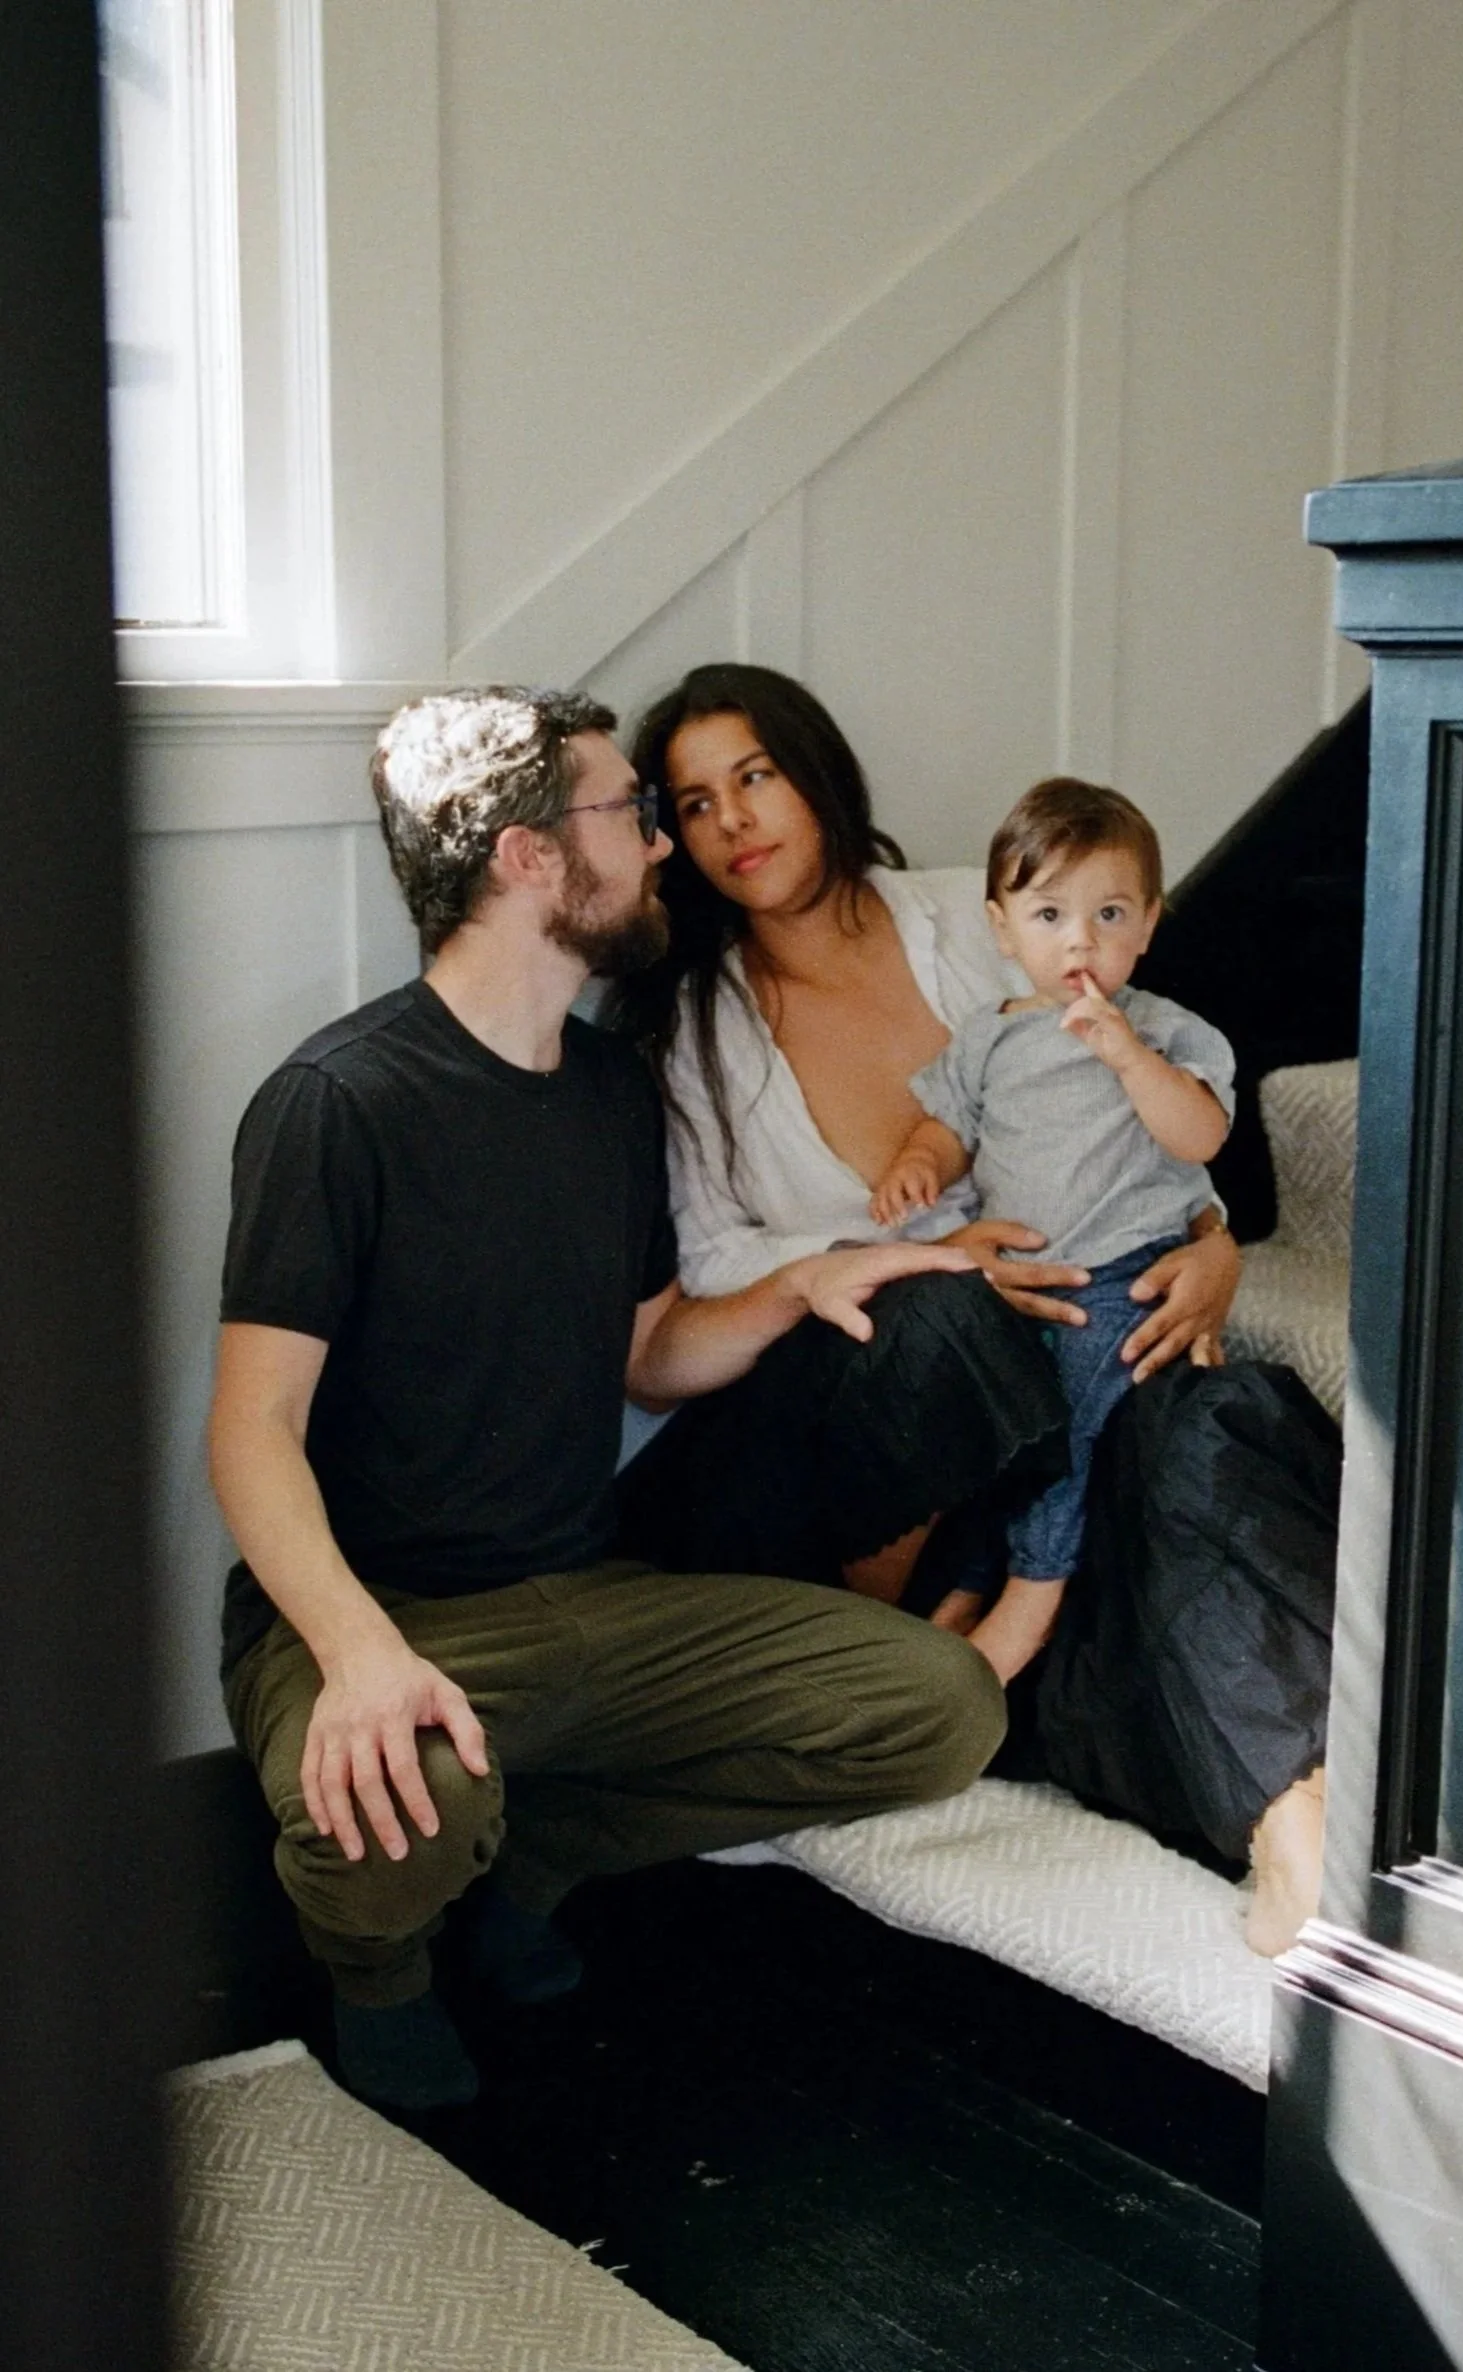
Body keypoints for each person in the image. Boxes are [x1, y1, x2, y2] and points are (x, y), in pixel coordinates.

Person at [207, 685, 1007, 2114]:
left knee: (936, 1708)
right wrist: (360, 1653)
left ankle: (540, 1855)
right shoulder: (340, 1101)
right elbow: (247, 1428)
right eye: (631, 813)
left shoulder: (607, 1092)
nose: (660, 849)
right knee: (400, 1816)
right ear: (527, 857)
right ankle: (377, 1979)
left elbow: (649, 1354)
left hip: (580, 1597)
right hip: (368, 1616)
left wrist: (812, 1283)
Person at [609, 664, 1333, 1957]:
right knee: (961, 1336)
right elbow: (703, 1296)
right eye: (694, 800)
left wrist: (1215, 1242)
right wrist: (907, 1266)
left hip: (1072, 1345)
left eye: (755, 775)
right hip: (903, 1435)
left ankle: (1297, 1818)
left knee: (1219, 1413)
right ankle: (963, 1660)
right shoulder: (692, 1036)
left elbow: (1146, 1134)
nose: (733, 820)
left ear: (813, 770)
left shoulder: (983, 915)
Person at [870, 778, 1234, 1688]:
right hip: (1019, 1286)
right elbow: (947, 1127)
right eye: (1049, 914)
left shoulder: (1167, 1030)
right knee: (998, 1436)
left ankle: (1033, 1595)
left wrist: (1124, 1053)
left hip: (1123, 1276)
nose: (1080, 940)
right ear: (1002, 929)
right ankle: (964, 1586)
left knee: (1068, 1422)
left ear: (1148, 924)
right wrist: (918, 1162)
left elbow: (1200, 1137)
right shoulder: (988, 1038)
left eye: (1109, 913)